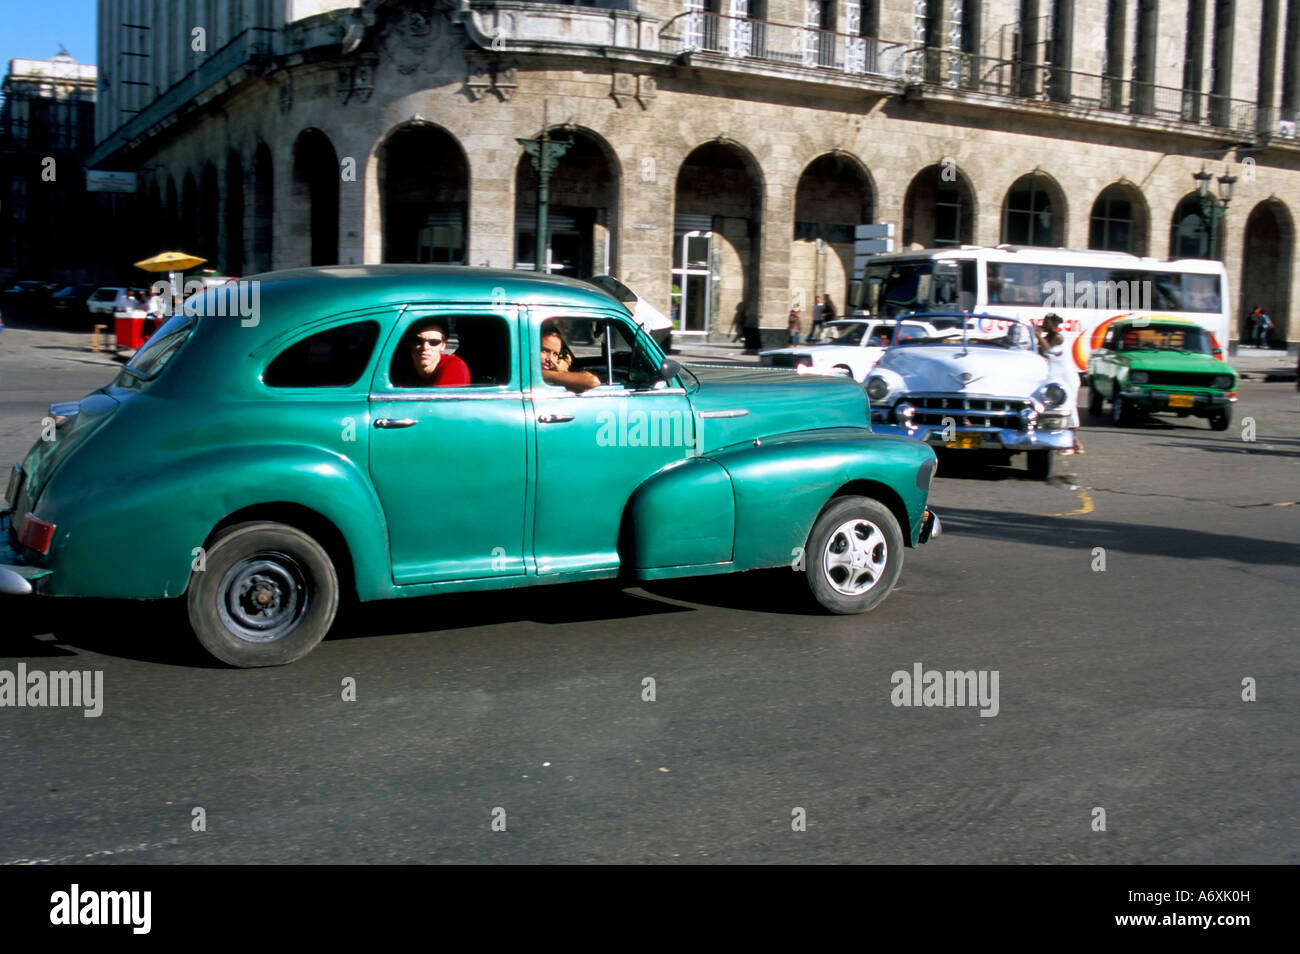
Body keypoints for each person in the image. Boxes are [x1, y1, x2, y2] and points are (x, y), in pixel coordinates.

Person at [1040, 313, 1082, 454]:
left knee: (1069, 408)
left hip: (1067, 378)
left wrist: (1038, 336)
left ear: (1053, 324)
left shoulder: (1057, 337)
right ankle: (1075, 443)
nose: (1044, 323)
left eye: (1046, 322)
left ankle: (1071, 443)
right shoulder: (1047, 337)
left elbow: (1047, 351)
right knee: (1059, 408)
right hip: (1057, 378)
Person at [395, 318, 471, 387]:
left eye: (434, 342)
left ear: (443, 346)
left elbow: (438, 401)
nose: (425, 347)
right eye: (418, 341)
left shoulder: (456, 367)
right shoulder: (400, 366)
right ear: (410, 344)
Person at [540, 322, 599, 392]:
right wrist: (562, 372)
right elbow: (592, 381)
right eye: (544, 350)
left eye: (555, 354)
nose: (550, 359)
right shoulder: (535, 374)